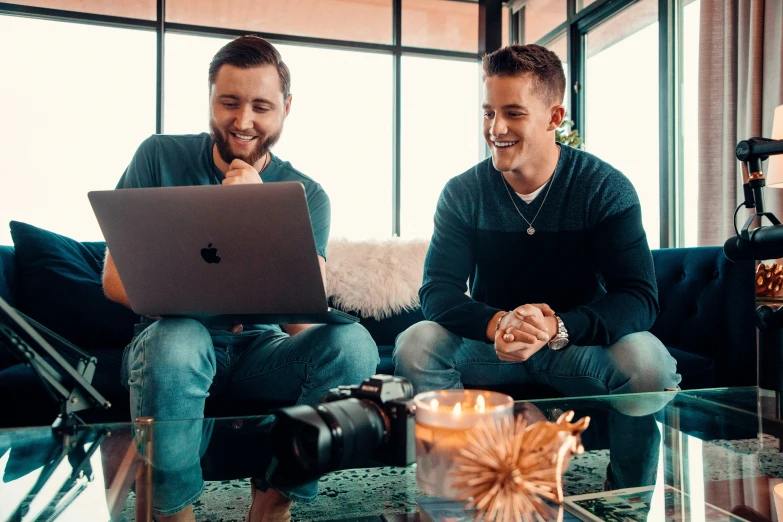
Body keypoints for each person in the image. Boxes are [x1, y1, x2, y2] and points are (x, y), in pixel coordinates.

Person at [102, 35, 379, 522]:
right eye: (229, 102)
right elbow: (114, 282)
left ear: (286, 108)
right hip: (173, 343)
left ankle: (274, 501)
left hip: (260, 352)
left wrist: (259, 214)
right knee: (178, 340)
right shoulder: (157, 158)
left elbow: (300, 323)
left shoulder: (307, 194)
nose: (243, 121)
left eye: (261, 106)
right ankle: (173, 511)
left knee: (357, 347)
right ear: (210, 97)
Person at [393, 44, 680, 413]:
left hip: (575, 346)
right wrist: (499, 324)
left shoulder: (604, 187)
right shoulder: (462, 192)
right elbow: (437, 291)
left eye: (513, 113)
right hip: (494, 346)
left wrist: (553, 327)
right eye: (489, 113)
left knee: (648, 366)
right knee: (417, 344)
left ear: (553, 117)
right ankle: (467, 465)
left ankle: (625, 474)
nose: (496, 129)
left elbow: (638, 297)